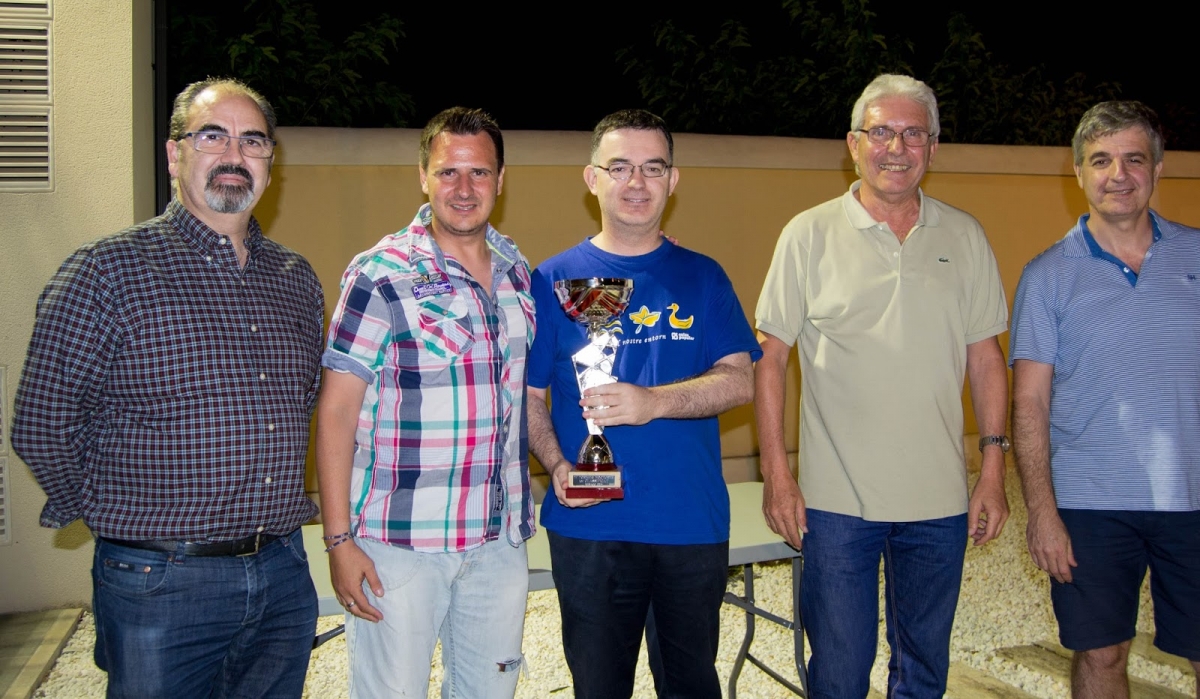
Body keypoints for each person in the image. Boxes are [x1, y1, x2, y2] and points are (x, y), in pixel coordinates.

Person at [11, 78, 324, 697]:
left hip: (284, 572)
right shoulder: (108, 272)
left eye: (253, 140)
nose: (234, 154)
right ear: (174, 153)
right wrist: (112, 517)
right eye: (213, 136)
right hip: (161, 581)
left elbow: (303, 402)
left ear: (270, 162)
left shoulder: (296, 279)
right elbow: (43, 423)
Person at [754, 74, 1011, 697]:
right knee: (840, 673)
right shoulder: (807, 234)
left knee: (924, 672)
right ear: (853, 144)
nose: (896, 147)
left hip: (940, 501)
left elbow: (986, 359)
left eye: (913, 133)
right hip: (835, 504)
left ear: (934, 147)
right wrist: (777, 473)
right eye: (881, 132)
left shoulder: (966, 236)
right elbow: (770, 359)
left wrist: (993, 469)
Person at [527, 109, 759, 699]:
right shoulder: (550, 280)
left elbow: (740, 382)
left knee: (691, 686)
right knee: (599, 688)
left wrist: (652, 401)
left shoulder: (703, 277)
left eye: (653, 168)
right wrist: (557, 465)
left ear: (672, 181)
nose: (636, 182)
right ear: (592, 179)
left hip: (690, 522)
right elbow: (528, 397)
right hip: (591, 526)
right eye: (620, 167)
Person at [315, 106, 534, 698]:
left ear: (500, 179)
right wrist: (339, 541)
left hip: (498, 541)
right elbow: (336, 410)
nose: (464, 189)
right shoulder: (380, 274)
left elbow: (521, 394)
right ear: (422, 177)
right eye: (447, 172)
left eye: (479, 172)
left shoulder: (517, 272)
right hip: (399, 545)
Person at [1010, 100, 1200, 698]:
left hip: (1193, 497)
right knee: (1101, 653)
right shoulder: (1046, 276)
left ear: (1158, 168)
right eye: (1101, 161)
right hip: (1089, 504)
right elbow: (1030, 404)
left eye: (1134, 159)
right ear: (1078, 172)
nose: (1118, 174)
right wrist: (1042, 513)